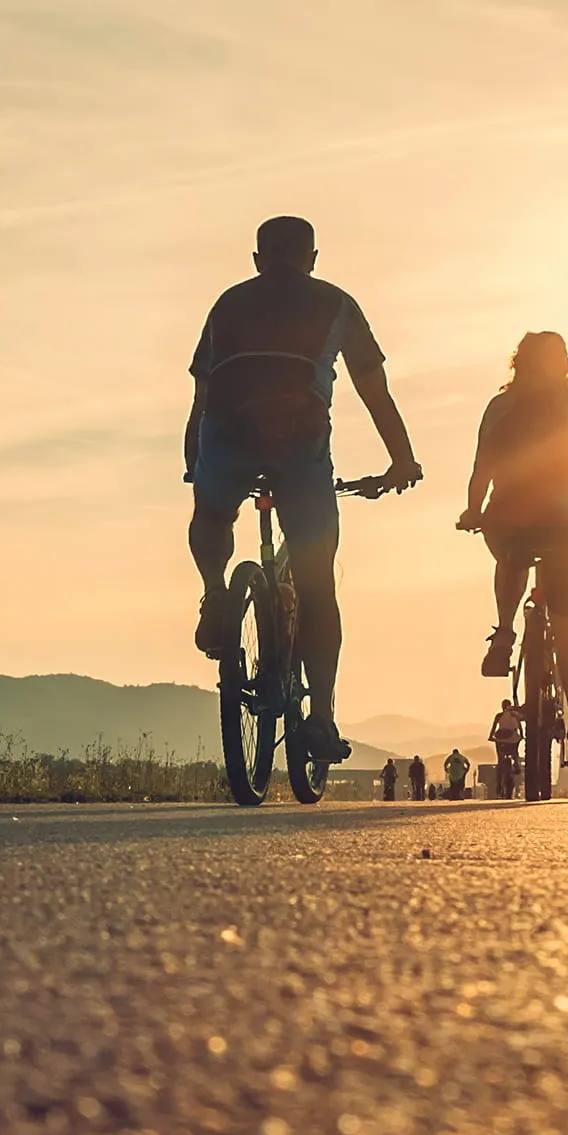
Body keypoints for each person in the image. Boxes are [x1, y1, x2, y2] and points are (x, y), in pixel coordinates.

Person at [186, 216, 422, 765]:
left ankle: (216, 593)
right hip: (298, 444)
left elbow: (202, 395)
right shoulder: (336, 303)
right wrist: (401, 460)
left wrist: (196, 464)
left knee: (212, 514)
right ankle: (320, 718)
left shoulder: (227, 303)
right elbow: (375, 392)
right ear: (312, 258)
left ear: (257, 260)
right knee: (316, 586)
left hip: (226, 435)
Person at [457, 331, 568, 777]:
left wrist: (474, 511)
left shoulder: (500, 408)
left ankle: (504, 632)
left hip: (507, 516)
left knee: (510, 557)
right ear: (564, 365)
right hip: (567, 521)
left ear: (519, 364)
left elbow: (482, 467)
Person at [490, 698, 524, 797]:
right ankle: (516, 764)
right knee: (515, 753)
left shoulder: (499, 715)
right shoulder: (515, 715)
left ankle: (499, 784)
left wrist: (491, 736)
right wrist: (522, 736)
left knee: (500, 760)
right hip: (513, 737)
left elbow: (493, 727)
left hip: (500, 738)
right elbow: (520, 727)